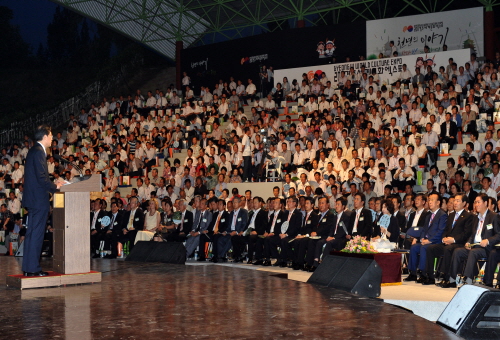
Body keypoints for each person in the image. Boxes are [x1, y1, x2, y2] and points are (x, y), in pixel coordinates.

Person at [22, 125, 62, 276]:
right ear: (44, 137)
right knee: (37, 234)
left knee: (32, 234)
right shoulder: (39, 152)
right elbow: (41, 179)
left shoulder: (33, 151)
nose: (52, 138)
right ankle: (33, 269)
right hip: (38, 200)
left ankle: (28, 268)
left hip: (32, 200)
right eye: (51, 136)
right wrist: (55, 187)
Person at [447, 194, 500, 287]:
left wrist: (488, 240)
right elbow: (473, 234)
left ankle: (468, 280)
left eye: (478, 202)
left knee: (473, 253)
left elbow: (498, 235)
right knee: (458, 251)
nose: (476, 204)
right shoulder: (475, 217)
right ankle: (451, 279)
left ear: (485, 203)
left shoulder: (493, 216)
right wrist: (468, 242)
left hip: (486, 248)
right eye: (475, 202)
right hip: (474, 246)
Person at [426, 193, 473, 287]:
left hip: (459, 243)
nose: (455, 203)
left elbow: (466, 233)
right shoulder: (451, 215)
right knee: (431, 248)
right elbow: (446, 230)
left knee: (448, 249)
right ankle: (430, 276)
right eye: (454, 200)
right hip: (448, 243)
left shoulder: (468, 216)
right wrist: (444, 238)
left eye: (458, 201)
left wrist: (454, 240)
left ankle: (447, 278)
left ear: (464, 203)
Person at [405, 193, 447, 284]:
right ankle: (413, 273)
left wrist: (429, 240)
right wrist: (422, 239)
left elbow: (440, 231)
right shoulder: (428, 215)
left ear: (438, 202)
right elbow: (424, 230)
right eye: (429, 200)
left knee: (424, 248)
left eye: (432, 200)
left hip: (436, 242)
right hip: (426, 241)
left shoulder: (442, 215)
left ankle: (425, 274)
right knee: (414, 247)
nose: (429, 202)